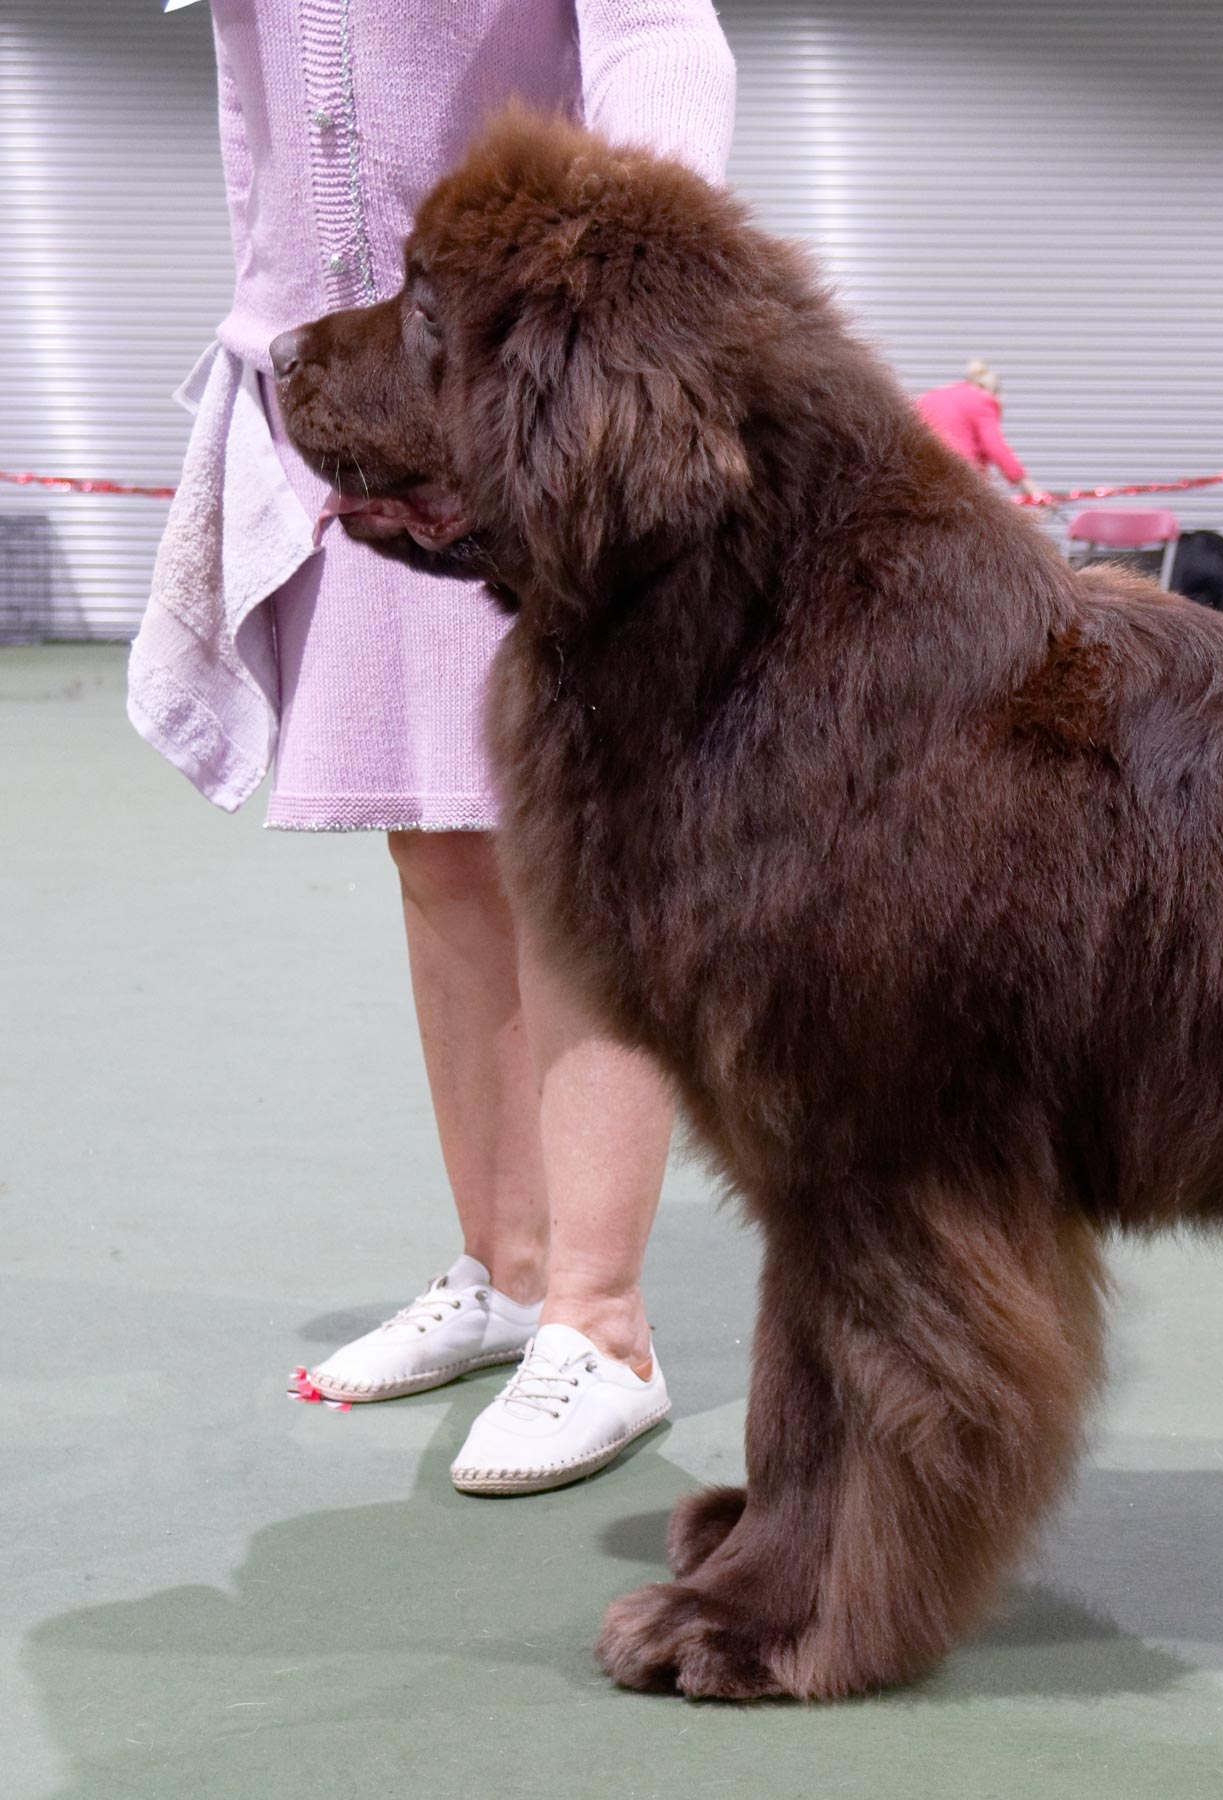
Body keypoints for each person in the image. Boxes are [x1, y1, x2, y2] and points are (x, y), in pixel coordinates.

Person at [128, 1, 736, 1495]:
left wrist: (626, 286)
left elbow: (663, 36)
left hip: (527, 395)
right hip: (358, 388)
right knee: (436, 843)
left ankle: (603, 1325)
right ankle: (510, 1269)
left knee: (572, 867)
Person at [916, 359, 1047, 501]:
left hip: (922, 478)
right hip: (959, 479)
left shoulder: (932, 396)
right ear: (994, 392)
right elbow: (996, 448)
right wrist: (1031, 489)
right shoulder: (982, 400)